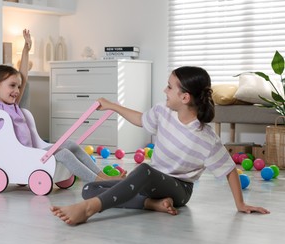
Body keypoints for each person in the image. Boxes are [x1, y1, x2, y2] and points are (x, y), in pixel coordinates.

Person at [50, 66, 270, 225]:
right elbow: (139, 119)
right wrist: (112, 106)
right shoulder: (163, 113)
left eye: (169, 87)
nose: (164, 90)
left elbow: (230, 170)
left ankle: (89, 209)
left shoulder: (206, 138)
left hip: (179, 190)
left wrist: (240, 204)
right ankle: (152, 204)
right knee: (89, 188)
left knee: (144, 170)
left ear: (184, 97)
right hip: (151, 181)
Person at [0, 27, 124, 183]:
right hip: (20, 156)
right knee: (64, 154)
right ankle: (97, 181)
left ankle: (101, 175)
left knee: (71, 144)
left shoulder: (14, 104)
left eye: (17, 86)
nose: (16, 90)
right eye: (11, 86)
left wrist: (25, 50)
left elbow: (23, 75)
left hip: (32, 152)